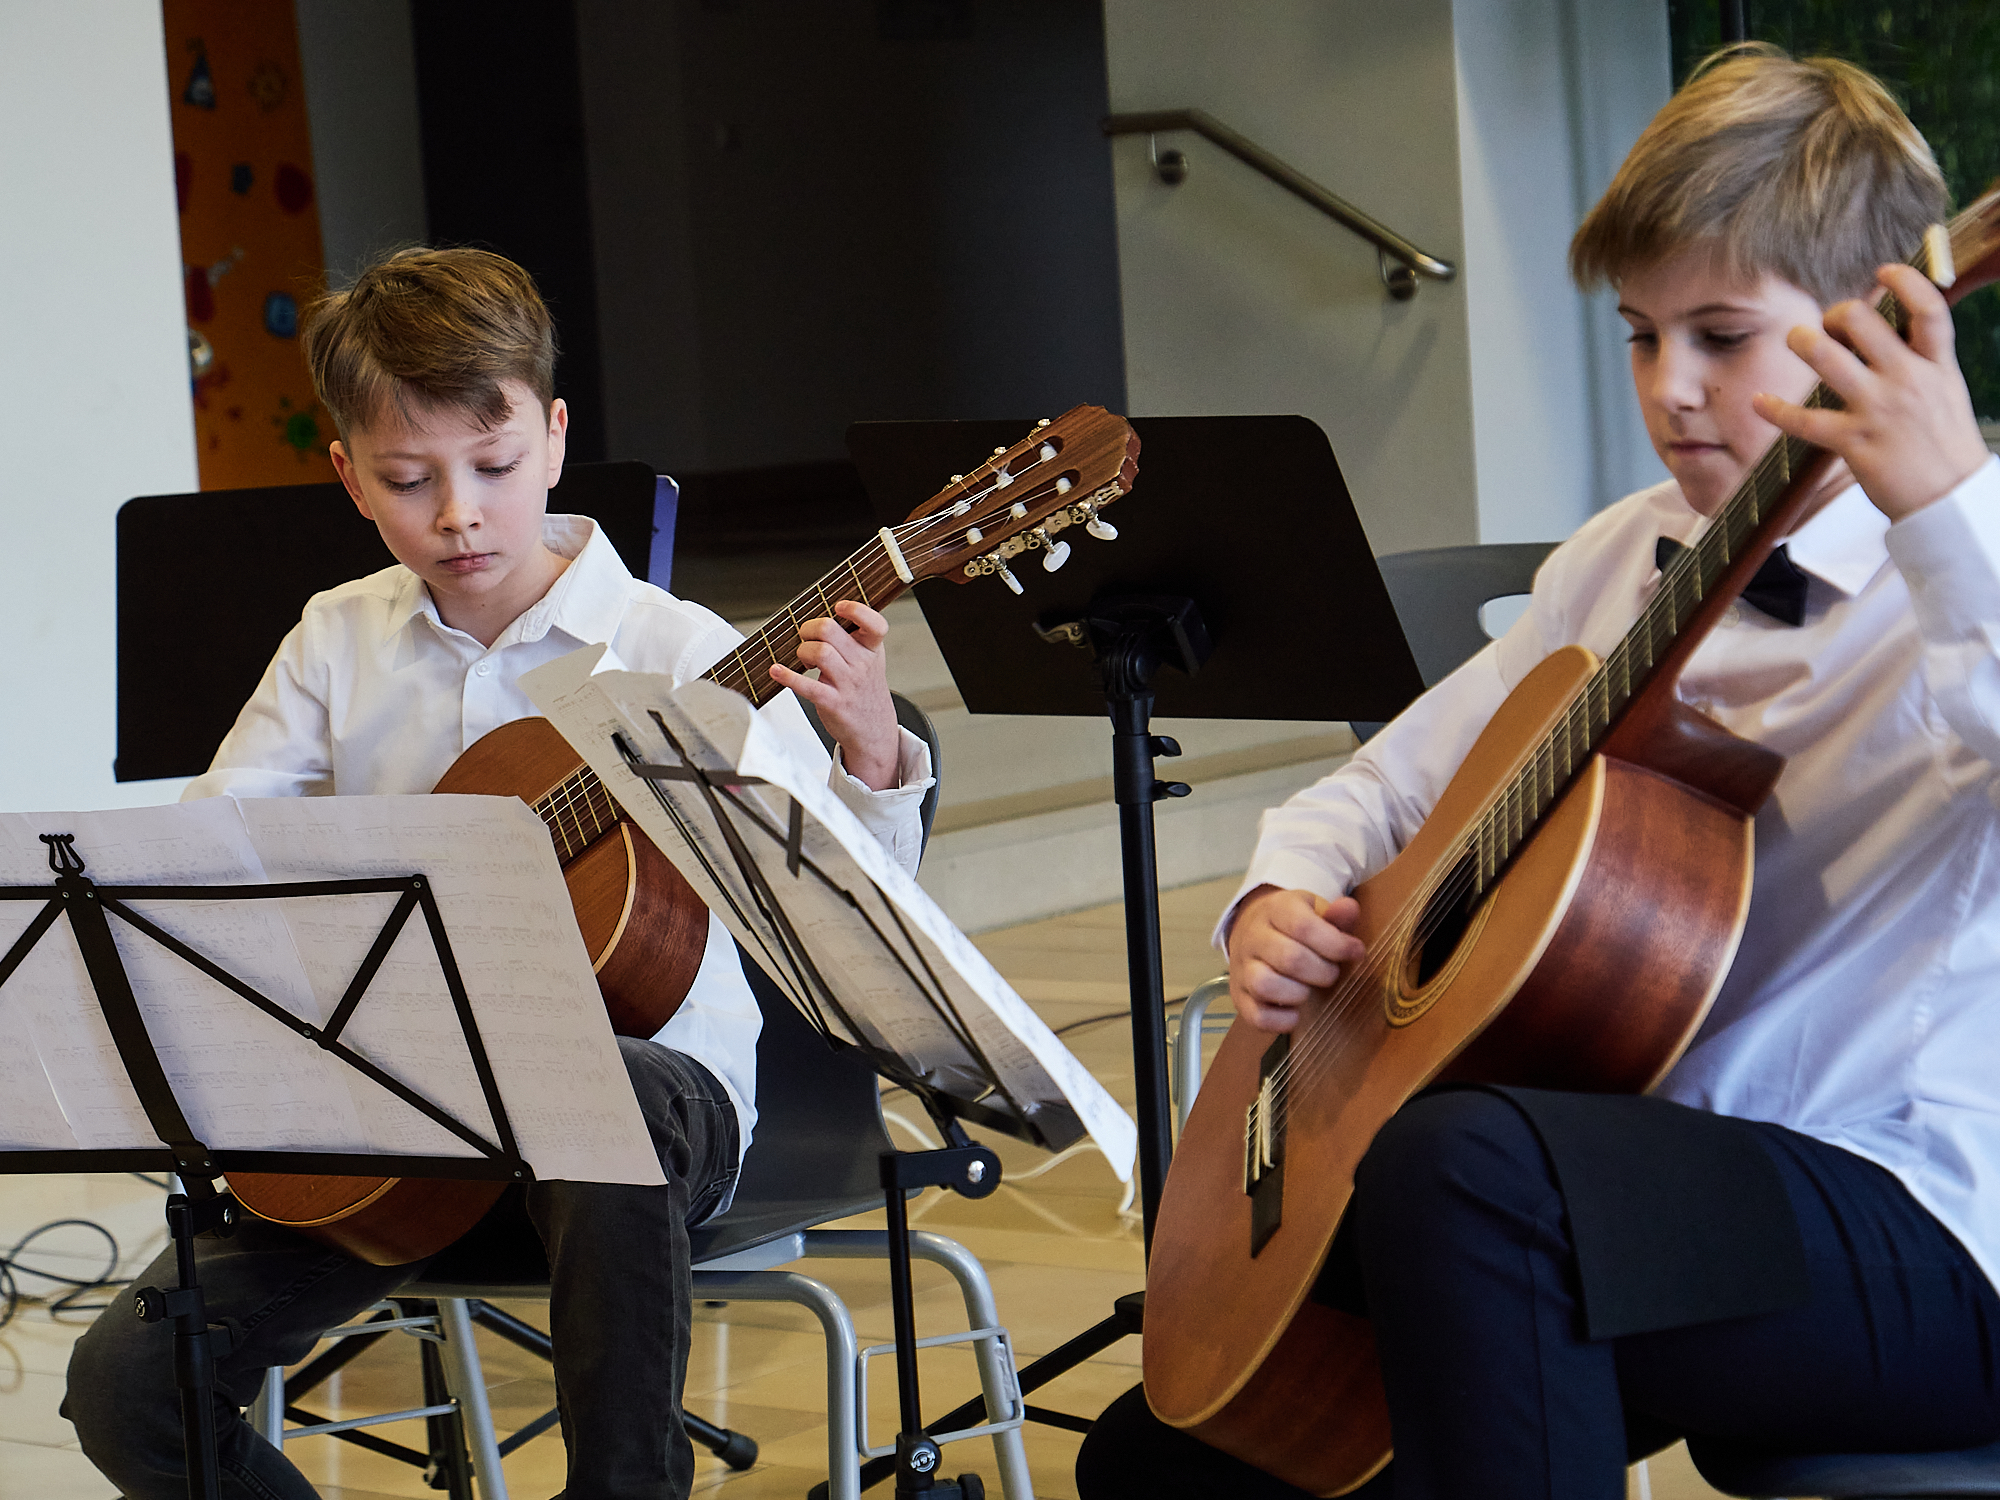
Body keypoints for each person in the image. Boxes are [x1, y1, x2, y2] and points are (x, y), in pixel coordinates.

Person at [1078, 45, 2000, 1500]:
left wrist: (1947, 511)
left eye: (1721, 336)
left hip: (1919, 1223)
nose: (1670, 390)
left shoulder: (1970, 560)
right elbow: (1383, 790)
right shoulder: (1623, 556)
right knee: (1175, 1459)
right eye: (1640, 336)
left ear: (1882, 324)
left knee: (1465, 1174)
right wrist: (1279, 900)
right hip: (1623, 1189)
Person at [63, 246, 933, 1500]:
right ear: (349, 476)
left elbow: (852, 928)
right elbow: (209, 870)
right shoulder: (335, 639)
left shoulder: (674, 653)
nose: (457, 514)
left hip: (649, 1126)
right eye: (408, 480)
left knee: (597, 1081)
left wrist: (871, 756)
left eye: (493, 466)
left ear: (555, 437)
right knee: (128, 1390)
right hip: (404, 1124)